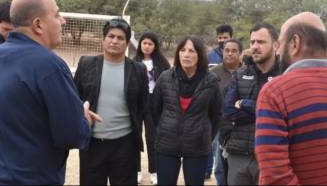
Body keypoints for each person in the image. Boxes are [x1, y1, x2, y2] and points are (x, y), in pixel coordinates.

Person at [0, 0, 98, 185]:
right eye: (57, 15)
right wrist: (83, 119)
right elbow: (71, 135)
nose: (64, 21)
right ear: (38, 24)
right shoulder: (49, 65)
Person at [255, 12, 327, 185]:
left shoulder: (275, 92)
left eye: (280, 43)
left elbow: (276, 176)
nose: (277, 50)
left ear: (295, 43)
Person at [74, 18, 149, 185]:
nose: (114, 41)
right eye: (111, 36)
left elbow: (143, 106)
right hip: (92, 143)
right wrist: (82, 110)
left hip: (125, 145)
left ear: (127, 42)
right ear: (104, 38)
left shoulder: (138, 69)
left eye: (120, 38)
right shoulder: (86, 64)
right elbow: (73, 98)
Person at [152, 35, 222, 185]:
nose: (186, 54)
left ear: (200, 55)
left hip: (197, 145)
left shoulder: (211, 80)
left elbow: (216, 114)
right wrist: (165, 128)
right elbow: (155, 110)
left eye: (192, 51)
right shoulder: (165, 77)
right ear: (178, 53)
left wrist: (206, 134)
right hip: (167, 143)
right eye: (183, 50)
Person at [223, 23, 280, 185]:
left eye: (261, 42)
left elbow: (282, 113)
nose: (255, 46)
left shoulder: (285, 75)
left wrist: (246, 104)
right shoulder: (240, 74)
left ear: (275, 45)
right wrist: (265, 113)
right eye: (252, 42)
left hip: (270, 157)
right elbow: (228, 111)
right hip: (238, 153)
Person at [133, 31, 170, 185]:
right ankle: (136, 171)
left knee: (152, 138)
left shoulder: (162, 64)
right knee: (135, 136)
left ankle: (154, 172)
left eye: (150, 44)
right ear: (140, 44)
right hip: (136, 102)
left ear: (155, 46)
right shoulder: (133, 62)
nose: (147, 46)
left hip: (154, 102)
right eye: (144, 43)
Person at [211, 39, 243, 186]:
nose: (230, 54)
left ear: (240, 53)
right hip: (219, 126)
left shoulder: (248, 72)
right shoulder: (213, 74)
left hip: (242, 127)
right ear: (222, 52)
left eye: (234, 51)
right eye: (227, 50)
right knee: (219, 166)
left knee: (239, 167)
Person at [205, 24, 233, 180]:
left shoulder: (237, 56)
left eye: (225, 37)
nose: (222, 40)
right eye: (220, 37)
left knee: (222, 149)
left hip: (231, 112)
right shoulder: (210, 56)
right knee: (211, 143)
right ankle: (207, 171)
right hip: (214, 108)